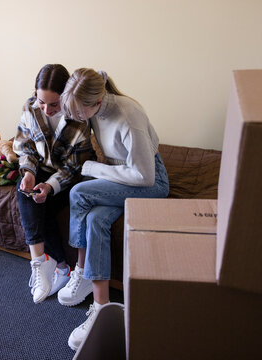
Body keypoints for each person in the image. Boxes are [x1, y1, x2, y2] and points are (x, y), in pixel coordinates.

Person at [58, 68, 169, 350]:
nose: (78, 118)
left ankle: (81, 270)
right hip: (123, 175)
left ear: (96, 103)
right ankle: (101, 307)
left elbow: (146, 177)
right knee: (95, 220)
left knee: (80, 192)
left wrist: (96, 169)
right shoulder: (93, 104)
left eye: (80, 112)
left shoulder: (129, 117)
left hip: (151, 183)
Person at [13, 64, 94, 304]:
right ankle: (42, 262)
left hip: (67, 177)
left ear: (65, 98)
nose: (47, 109)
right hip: (40, 169)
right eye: (41, 102)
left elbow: (73, 169)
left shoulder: (79, 122)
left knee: (43, 202)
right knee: (24, 190)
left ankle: (58, 266)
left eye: (54, 104)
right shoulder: (29, 109)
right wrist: (28, 171)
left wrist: (49, 186)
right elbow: (24, 147)